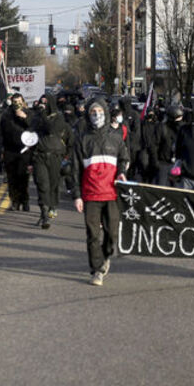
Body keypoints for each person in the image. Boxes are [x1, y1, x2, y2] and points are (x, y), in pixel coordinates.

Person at [72, 99, 129, 286]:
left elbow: (124, 158)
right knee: (93, 234)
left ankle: (106, 257)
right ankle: (96, 269)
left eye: (99, 111)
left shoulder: (115, 136)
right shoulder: (82, 139)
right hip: (90, 195)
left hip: (111, 194)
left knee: (112, 234)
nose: (96, 115)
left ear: (105, 112)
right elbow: (75, 169)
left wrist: (122, 172)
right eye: (92, 112)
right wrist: (77, 195)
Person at [31, 92, 72, 229]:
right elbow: (30, 133)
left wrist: (42, 115)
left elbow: (51, 129)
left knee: (53, 184)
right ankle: (44, 214)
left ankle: (51, 206)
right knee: (42, 184)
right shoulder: (37, 117)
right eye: (41, 101)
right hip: (40, 156)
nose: (43, 104)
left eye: (45, 102)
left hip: (55, 156)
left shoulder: (58, 118)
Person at [0, 94, 32, 211]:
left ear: (23, 102)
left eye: (19, 101)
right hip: (10, 150)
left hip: (24, 150)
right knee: (11, 178)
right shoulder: (6, 114)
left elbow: (34, 128)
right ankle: (15, 201)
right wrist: (1, 149)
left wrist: (25, 118)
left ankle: (25, 201)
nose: (17, 103)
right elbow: (1, 132)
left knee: (23, 177)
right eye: (14, 101)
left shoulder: (29, 113)